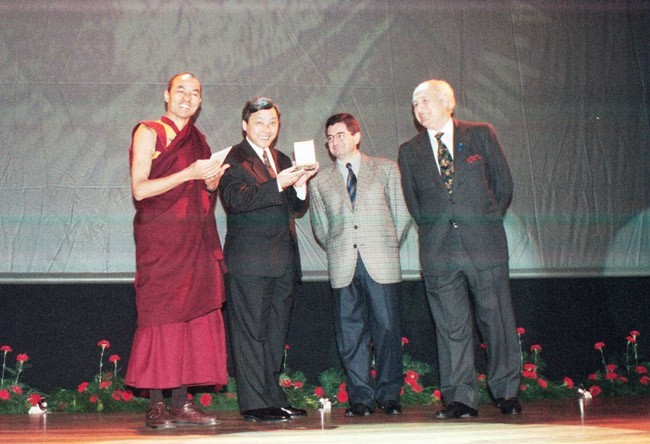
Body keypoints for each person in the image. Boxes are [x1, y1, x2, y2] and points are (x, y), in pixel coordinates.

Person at [397, 79, 521, 419]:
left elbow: (503, 185)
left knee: (495, 319)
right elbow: (415, 202)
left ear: (447, 102)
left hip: (484, 247)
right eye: (415, 104)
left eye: (425, 101)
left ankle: (506, 392)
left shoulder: (480, 134)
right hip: (439, 252)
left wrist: (483, 222)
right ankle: (460, 399)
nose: (419, 108)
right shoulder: (409, 151)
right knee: (451, 327)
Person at [125, 73, 230, 428]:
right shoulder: (148, 131)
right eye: (180, 91)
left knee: (189, 317)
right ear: (166, 94)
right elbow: (140, 189)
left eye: (195, 93)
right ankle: (156, 405)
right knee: (159, 317)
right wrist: (189, 174)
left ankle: (182, 403)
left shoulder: (198, 140)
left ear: (200, 102)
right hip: (161, 240)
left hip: (193, 240)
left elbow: (202, 188)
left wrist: (211, 180)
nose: (188, 97)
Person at [219, 97, 319, 422]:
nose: (267, 129)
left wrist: (301, 186)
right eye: (260, 122)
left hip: (283, 260)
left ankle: (273, 396)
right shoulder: (232, 159)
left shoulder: (282, 158)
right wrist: (279, 182)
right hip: (249, 262)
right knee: (251, 333)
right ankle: (254, 404)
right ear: (245, 124)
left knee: (276, 332)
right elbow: (236, 200)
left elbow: (296, 208)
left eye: (272, 123)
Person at [309, 113, 411, 417]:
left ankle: (389, 394)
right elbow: (320, 228)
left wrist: (385, 245)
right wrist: (342, 247)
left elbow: (401, 216)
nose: (334, 141)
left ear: (356, 136)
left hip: (381, 260)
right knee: (350, 335)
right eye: (329, 137)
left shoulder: (386, 169)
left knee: (388, 329)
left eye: (340, 134)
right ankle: (361, 399)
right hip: (343, 264)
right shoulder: (320, 181)